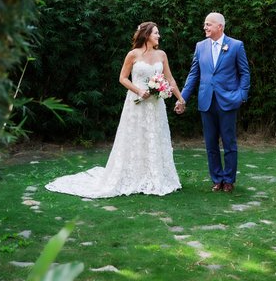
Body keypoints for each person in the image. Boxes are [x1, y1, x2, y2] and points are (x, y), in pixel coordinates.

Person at [45, 22, 183, 198]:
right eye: (156, 33)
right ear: (146, 34)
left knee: (155, 137)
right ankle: (134, 176)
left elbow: (169, 79)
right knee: (135, 138)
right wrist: (139, 90)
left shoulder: (162, 55)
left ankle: (156, 176)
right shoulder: (133, 54)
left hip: (156, 106)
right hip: (137, 103)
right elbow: (123, 78)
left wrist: (180, 98)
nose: (159, 36)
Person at [175, 13, 250, 193]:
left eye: (208, 24)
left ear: (220, 27)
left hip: (228, 101)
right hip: (206, 101)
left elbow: (245, 73)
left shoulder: (236, 45)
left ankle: (229, 179)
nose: (205, 28)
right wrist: (182, 98)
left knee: (229, 143)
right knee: (210, 144)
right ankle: (217, 179)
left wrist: (241, 95)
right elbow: (194, 74)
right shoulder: (200, 46)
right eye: (205, 24)